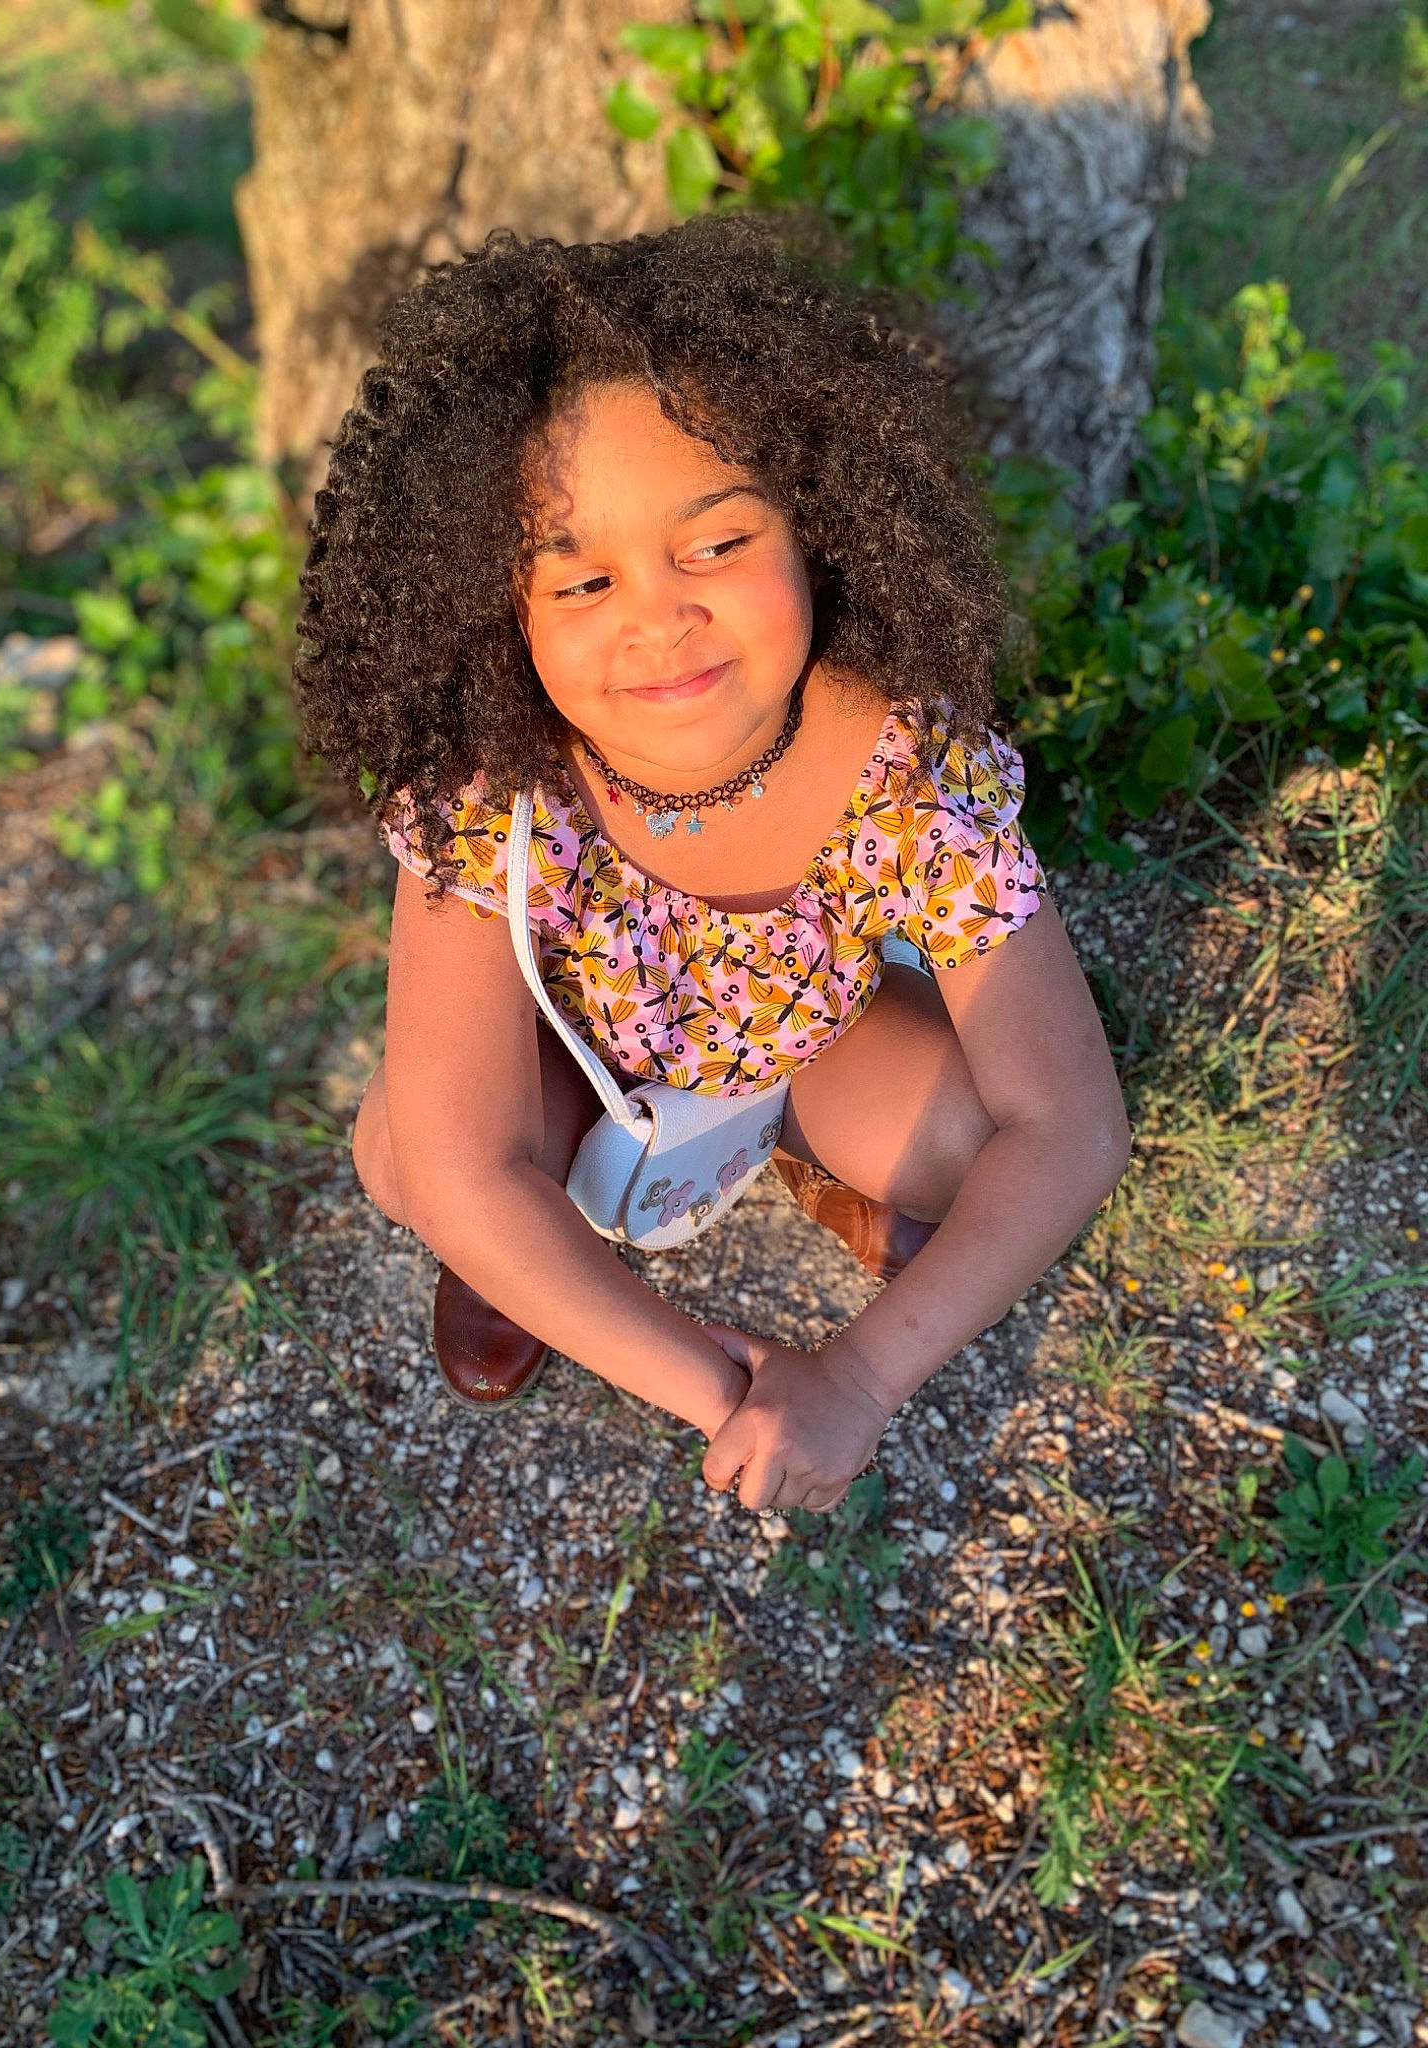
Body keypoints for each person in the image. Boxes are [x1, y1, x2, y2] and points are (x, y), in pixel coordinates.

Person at [296, 217, 1131, 1517]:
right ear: (498, 618)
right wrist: (727, 1390)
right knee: (411, 1152)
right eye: (578, 584)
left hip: (807, 1048)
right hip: (579, 1068)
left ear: (822, 527)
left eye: (719, 544)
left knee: (979, 1143)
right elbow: (463, 1161)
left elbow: (1069, 1125)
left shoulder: (911, 776)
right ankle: (532, 1259)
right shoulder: (492, 791)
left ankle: (796, 1159)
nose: (658, 615)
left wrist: (860, 1375)